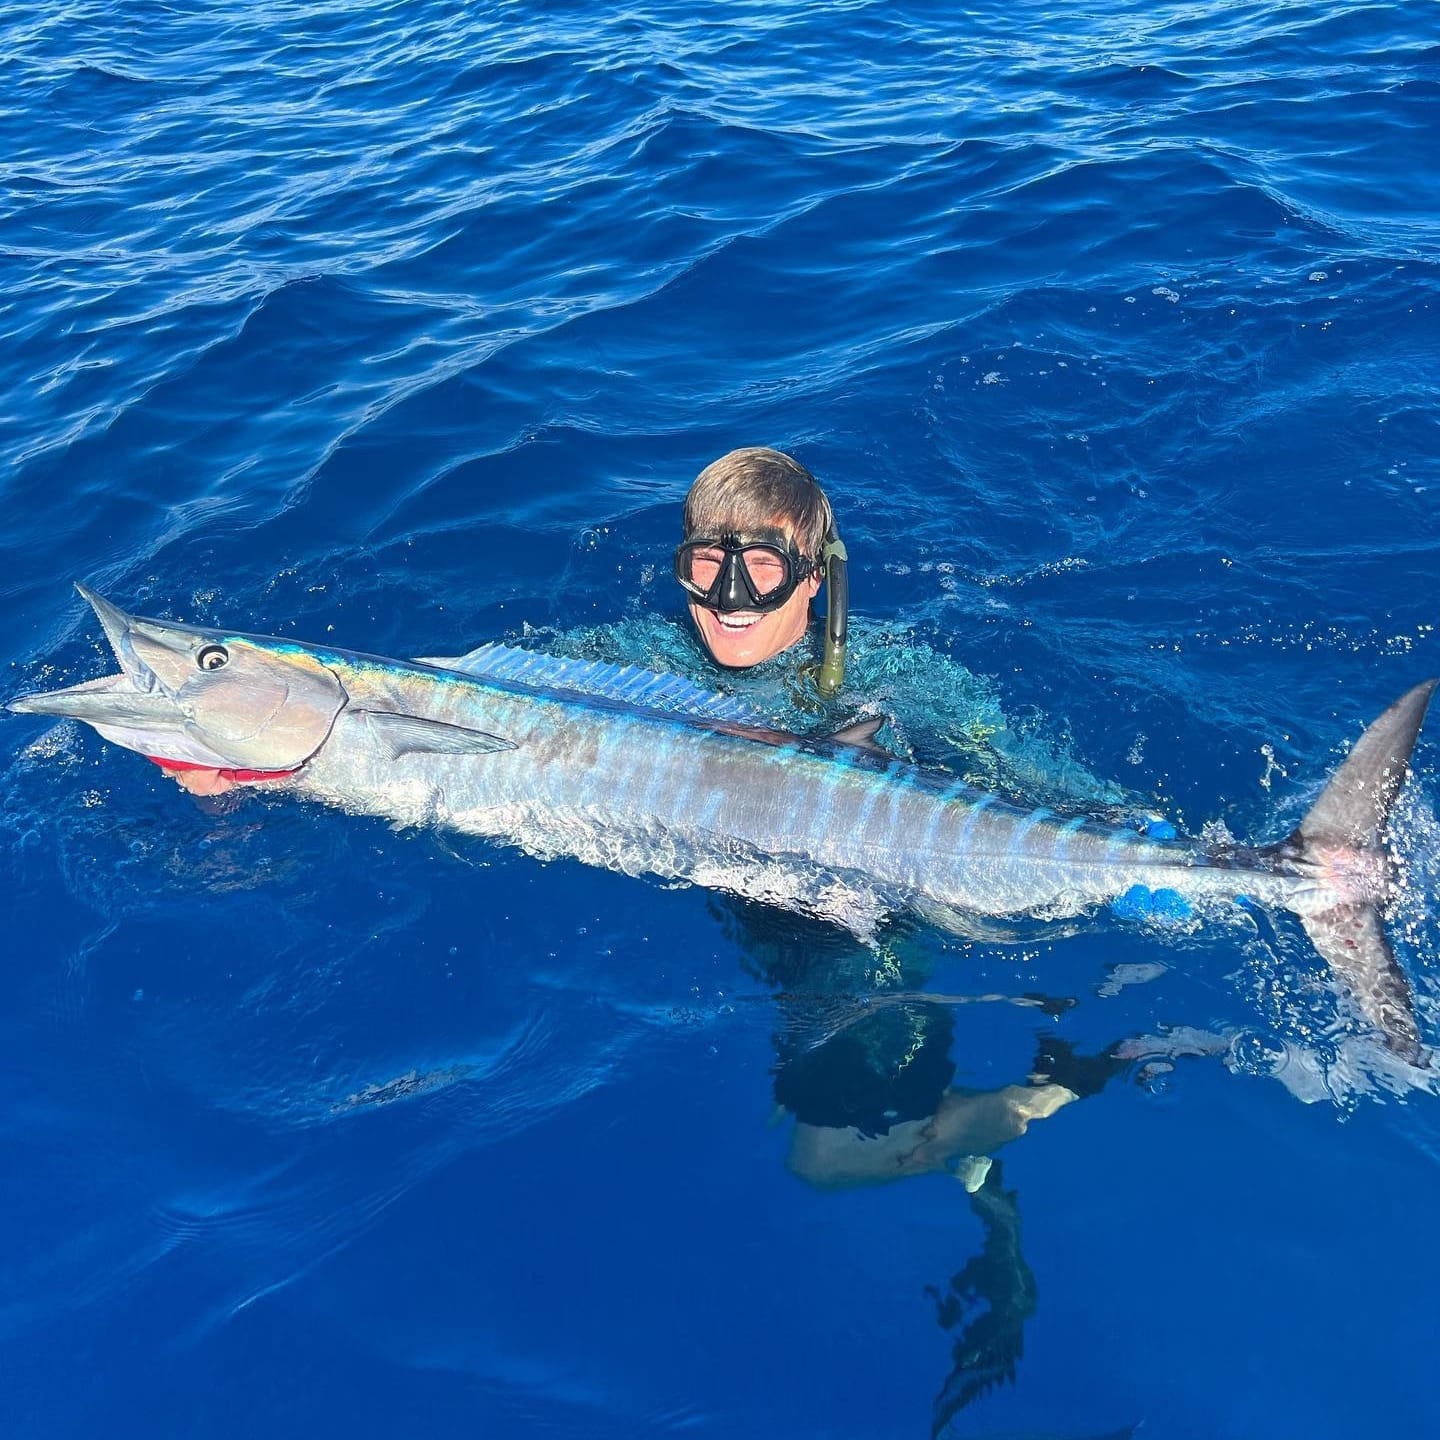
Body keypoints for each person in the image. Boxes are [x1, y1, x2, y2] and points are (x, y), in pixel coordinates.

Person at [672, 446, 849, 692]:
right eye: (710, 561)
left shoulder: (883, 677)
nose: (731, 598)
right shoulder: (641, 655)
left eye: (764, 564)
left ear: (813, 577)